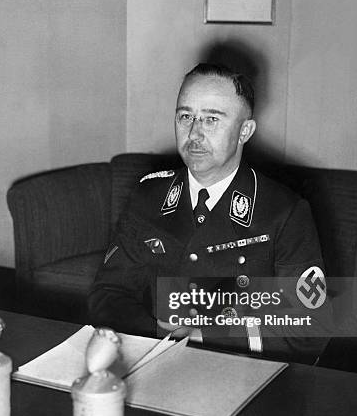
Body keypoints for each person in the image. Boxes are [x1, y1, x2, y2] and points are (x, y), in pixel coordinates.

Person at [88, 64, 331, 364]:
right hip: (155, 365)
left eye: (212, 119)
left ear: (245, 131)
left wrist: (201, 331)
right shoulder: (149, 196)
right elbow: (107, 293)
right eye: (185, 116)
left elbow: (310, 328)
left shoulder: (284, 212)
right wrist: (153, 330)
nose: (194, 133)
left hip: (242, 375)